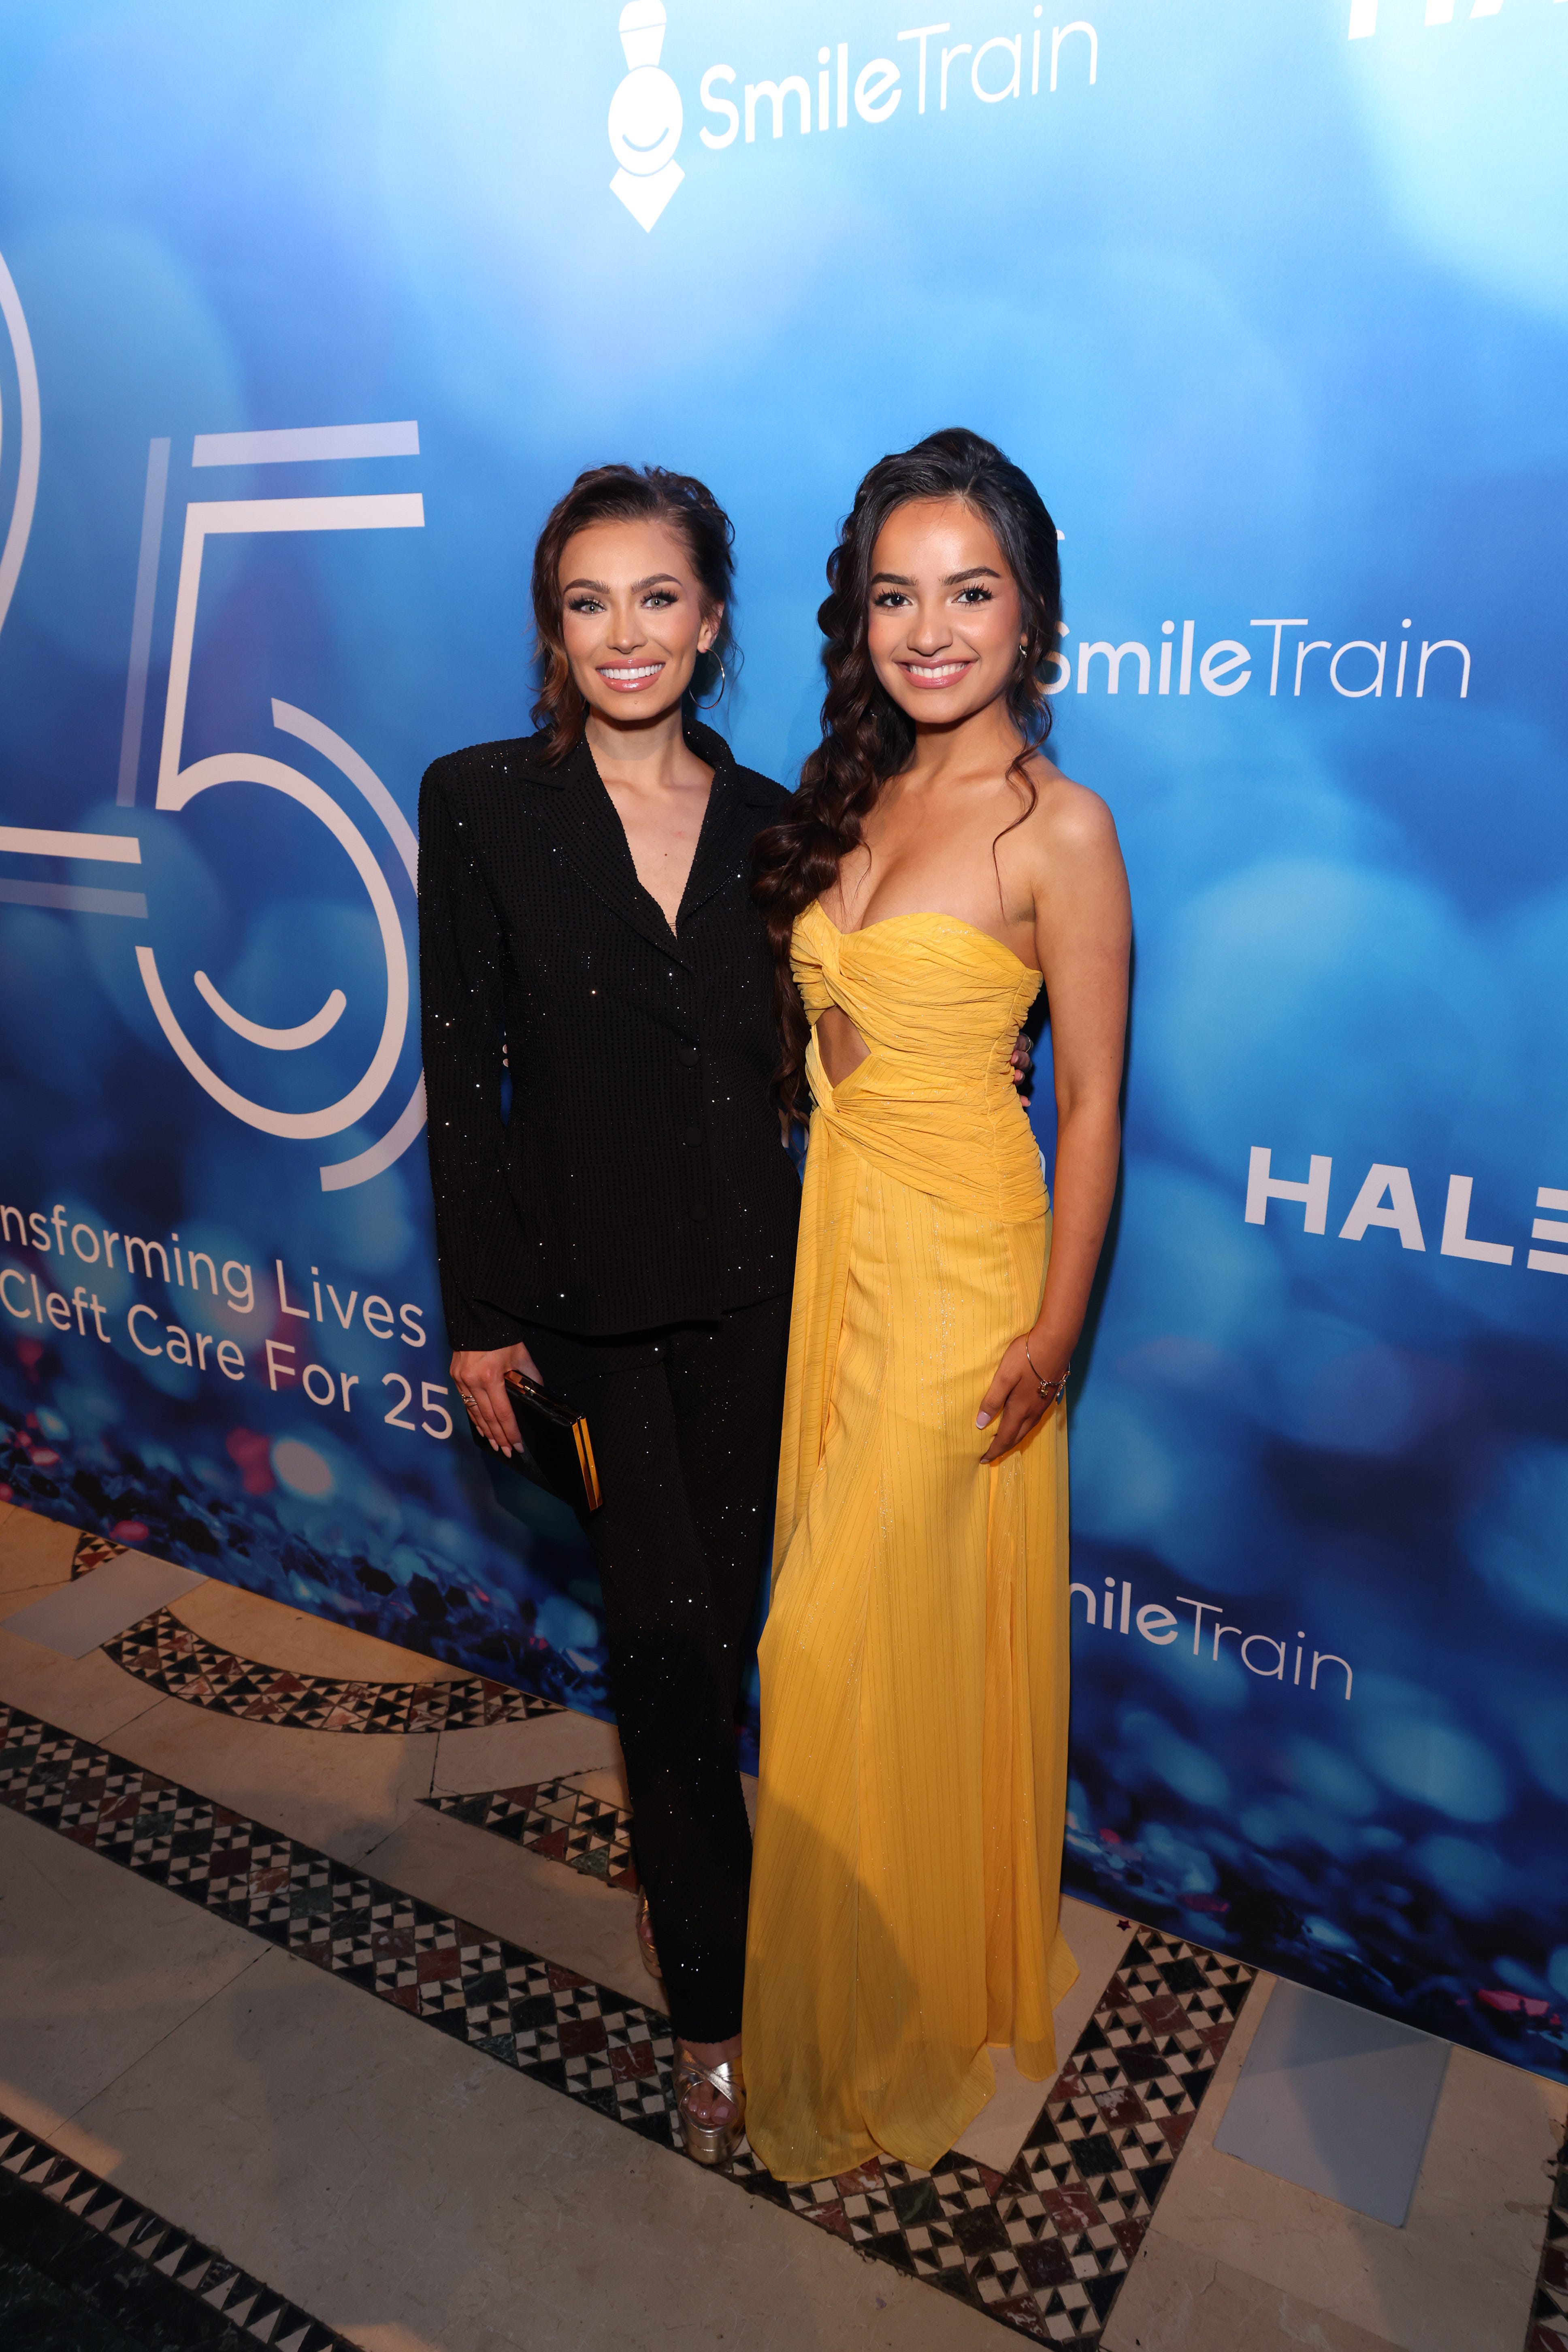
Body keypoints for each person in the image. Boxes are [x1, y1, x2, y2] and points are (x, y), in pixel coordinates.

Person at [744, 428, 1131, 2182]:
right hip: (841, 1247)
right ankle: (868, 1981)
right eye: (896, 595)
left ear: (1028, 615)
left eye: (966, 592)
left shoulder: (1060, 830)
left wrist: (1052, 1333)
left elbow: (1097, 1109)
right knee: (863, 1645)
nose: (929, 628)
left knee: (826, 1642)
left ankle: (881, 2016)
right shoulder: (848, 790)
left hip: (968, 1270)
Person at [418, 464, 801, 2164]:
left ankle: (683, 1868)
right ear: (551, 631)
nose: (623, 634)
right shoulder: (484, 803)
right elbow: (462, 1067)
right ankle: (711, 2020)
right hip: (577, 1326)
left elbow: (813, 1068)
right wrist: (479, 1315)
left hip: (756, 1310)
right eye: (588, 603)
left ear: (709, 621)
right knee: (659, 1652)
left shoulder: (785, 824)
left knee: (709, 1654)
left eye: (656, 598)